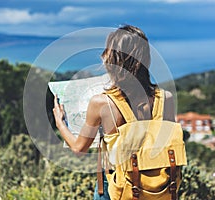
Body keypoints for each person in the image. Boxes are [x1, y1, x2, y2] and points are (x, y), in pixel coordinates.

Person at [53, 25, 176, 200]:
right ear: (146, 59)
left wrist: (60, 122)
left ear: (113, 60)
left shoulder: (102, 103)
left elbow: (79, 148)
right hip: (158, 189)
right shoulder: (166, 99)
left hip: (117, 187)